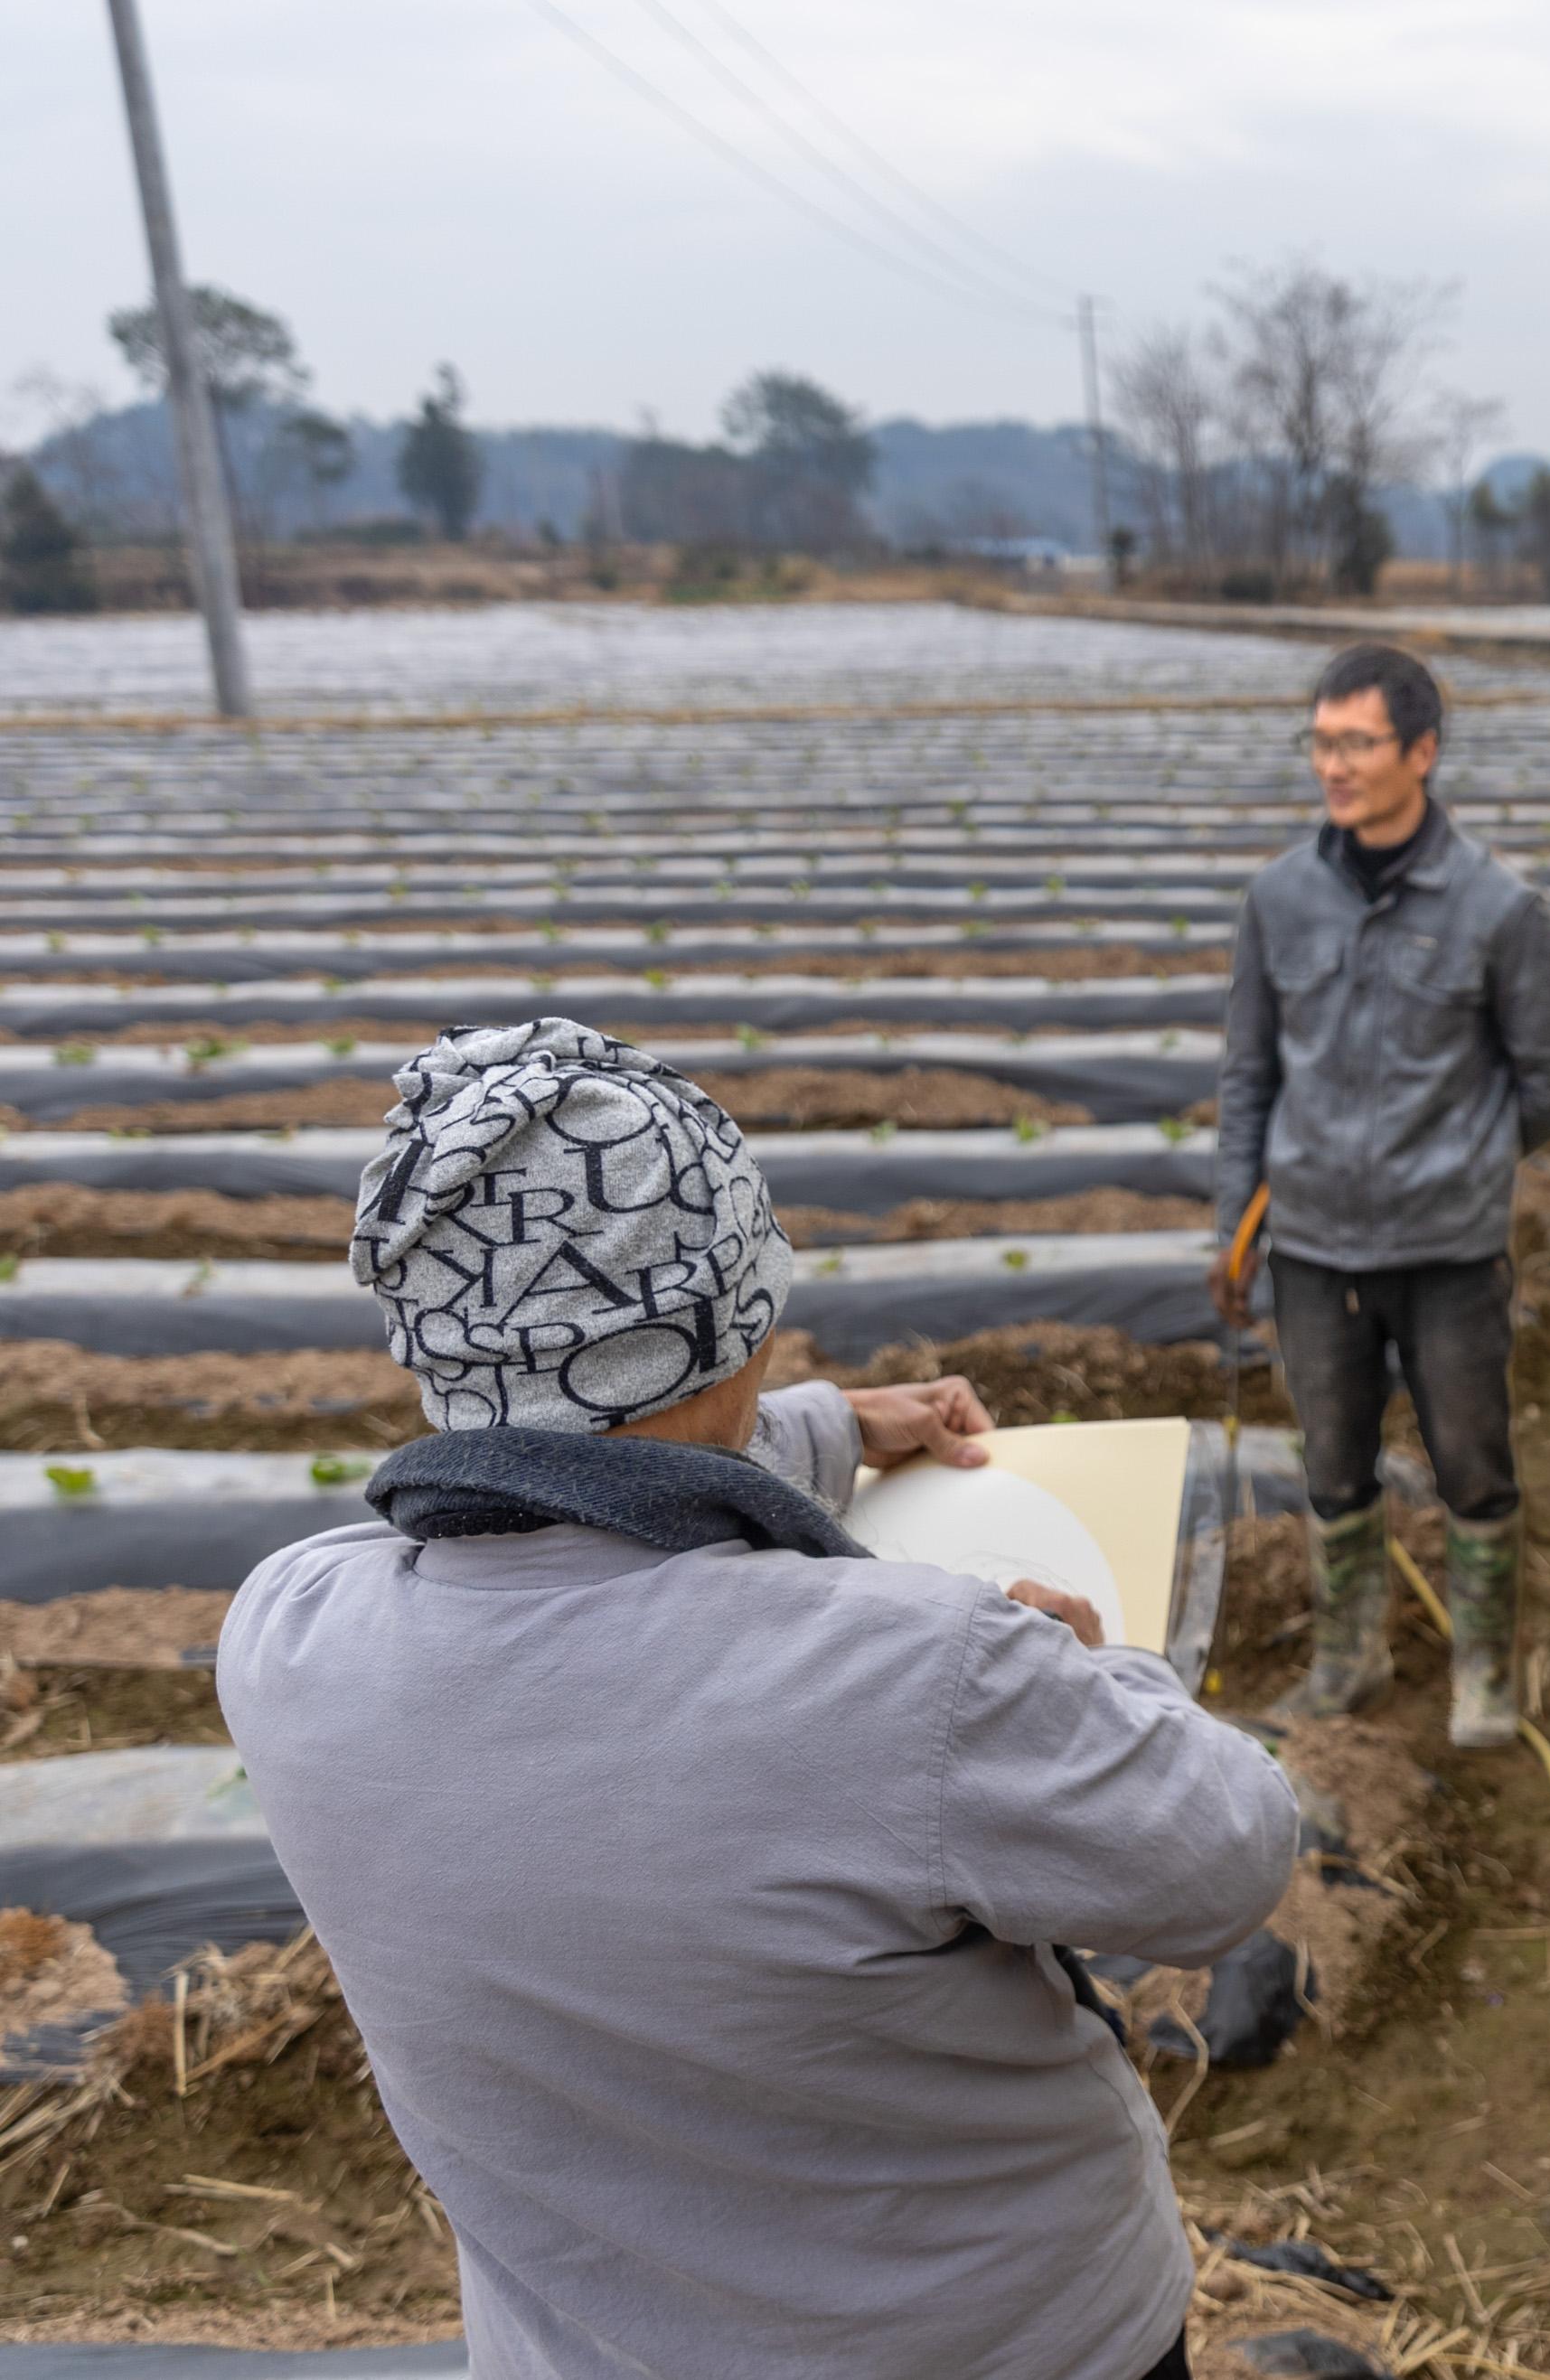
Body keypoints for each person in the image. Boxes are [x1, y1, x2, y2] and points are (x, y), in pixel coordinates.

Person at [221, 1017, 1298, 2380]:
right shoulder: (929, 1676)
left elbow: (578, 1474)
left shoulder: (289, 1635)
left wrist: (819, 1432)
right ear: (735, 1325)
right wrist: (1093, 1668)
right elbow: (1228, 1857)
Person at [1214, 642, 1550, 1747]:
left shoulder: (1496, 908)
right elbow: (1248, 1077)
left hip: (1447, 1252)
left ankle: (1482, 1667)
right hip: (1315, 1249)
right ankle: (1349, 1657)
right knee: (1332, 1465)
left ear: (1420, 753)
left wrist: (1469, 1160)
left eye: (1357, 743)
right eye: (1321, 742)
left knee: (1471, 1460)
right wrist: (1232, 1224)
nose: (1334, 764)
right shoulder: (1279, 900)